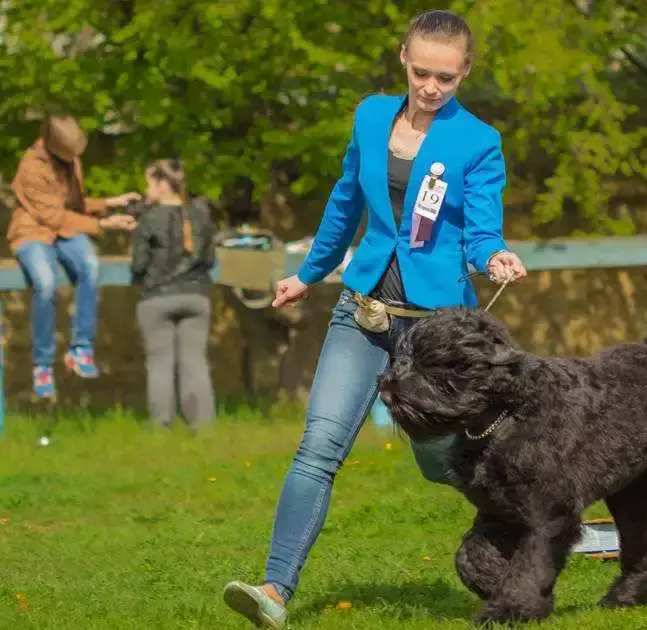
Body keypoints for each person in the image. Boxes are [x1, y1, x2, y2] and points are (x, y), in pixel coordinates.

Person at [221, 10, 527, 628]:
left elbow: (481, 231)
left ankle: (532, 523)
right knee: (318, 446)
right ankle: (275, 589)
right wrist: (308, 274)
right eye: (421, 73)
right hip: (362, 313)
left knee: (440, 460)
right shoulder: (368, 117)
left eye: (446, 76)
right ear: (403, 59)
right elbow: (343, 204)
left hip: (438, 331)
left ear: (465, 72)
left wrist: (493, 256)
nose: (431, 87)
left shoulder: (478, 141)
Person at [7, 115, 139, 399]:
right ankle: (42, 364)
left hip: (66, 229)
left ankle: (81, 348)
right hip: (33, 232)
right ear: (53, 148)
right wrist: (103, 225)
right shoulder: (31, 170)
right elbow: (53, 216)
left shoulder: (71, 161)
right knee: (45, 282)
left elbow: (74, 205)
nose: (76, 158)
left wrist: (111, 203)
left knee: (90, 266)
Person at [130, 159, 217, 429]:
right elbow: (210, 259)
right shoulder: (200, 214)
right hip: (196, 296)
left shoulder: (148, 219)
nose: (147, 190)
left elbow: (139, 265)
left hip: (156, 298)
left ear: (162, 184)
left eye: (149, 183)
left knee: (160, 364)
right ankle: (202, 427)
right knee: (195, 363)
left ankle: (160, 426)